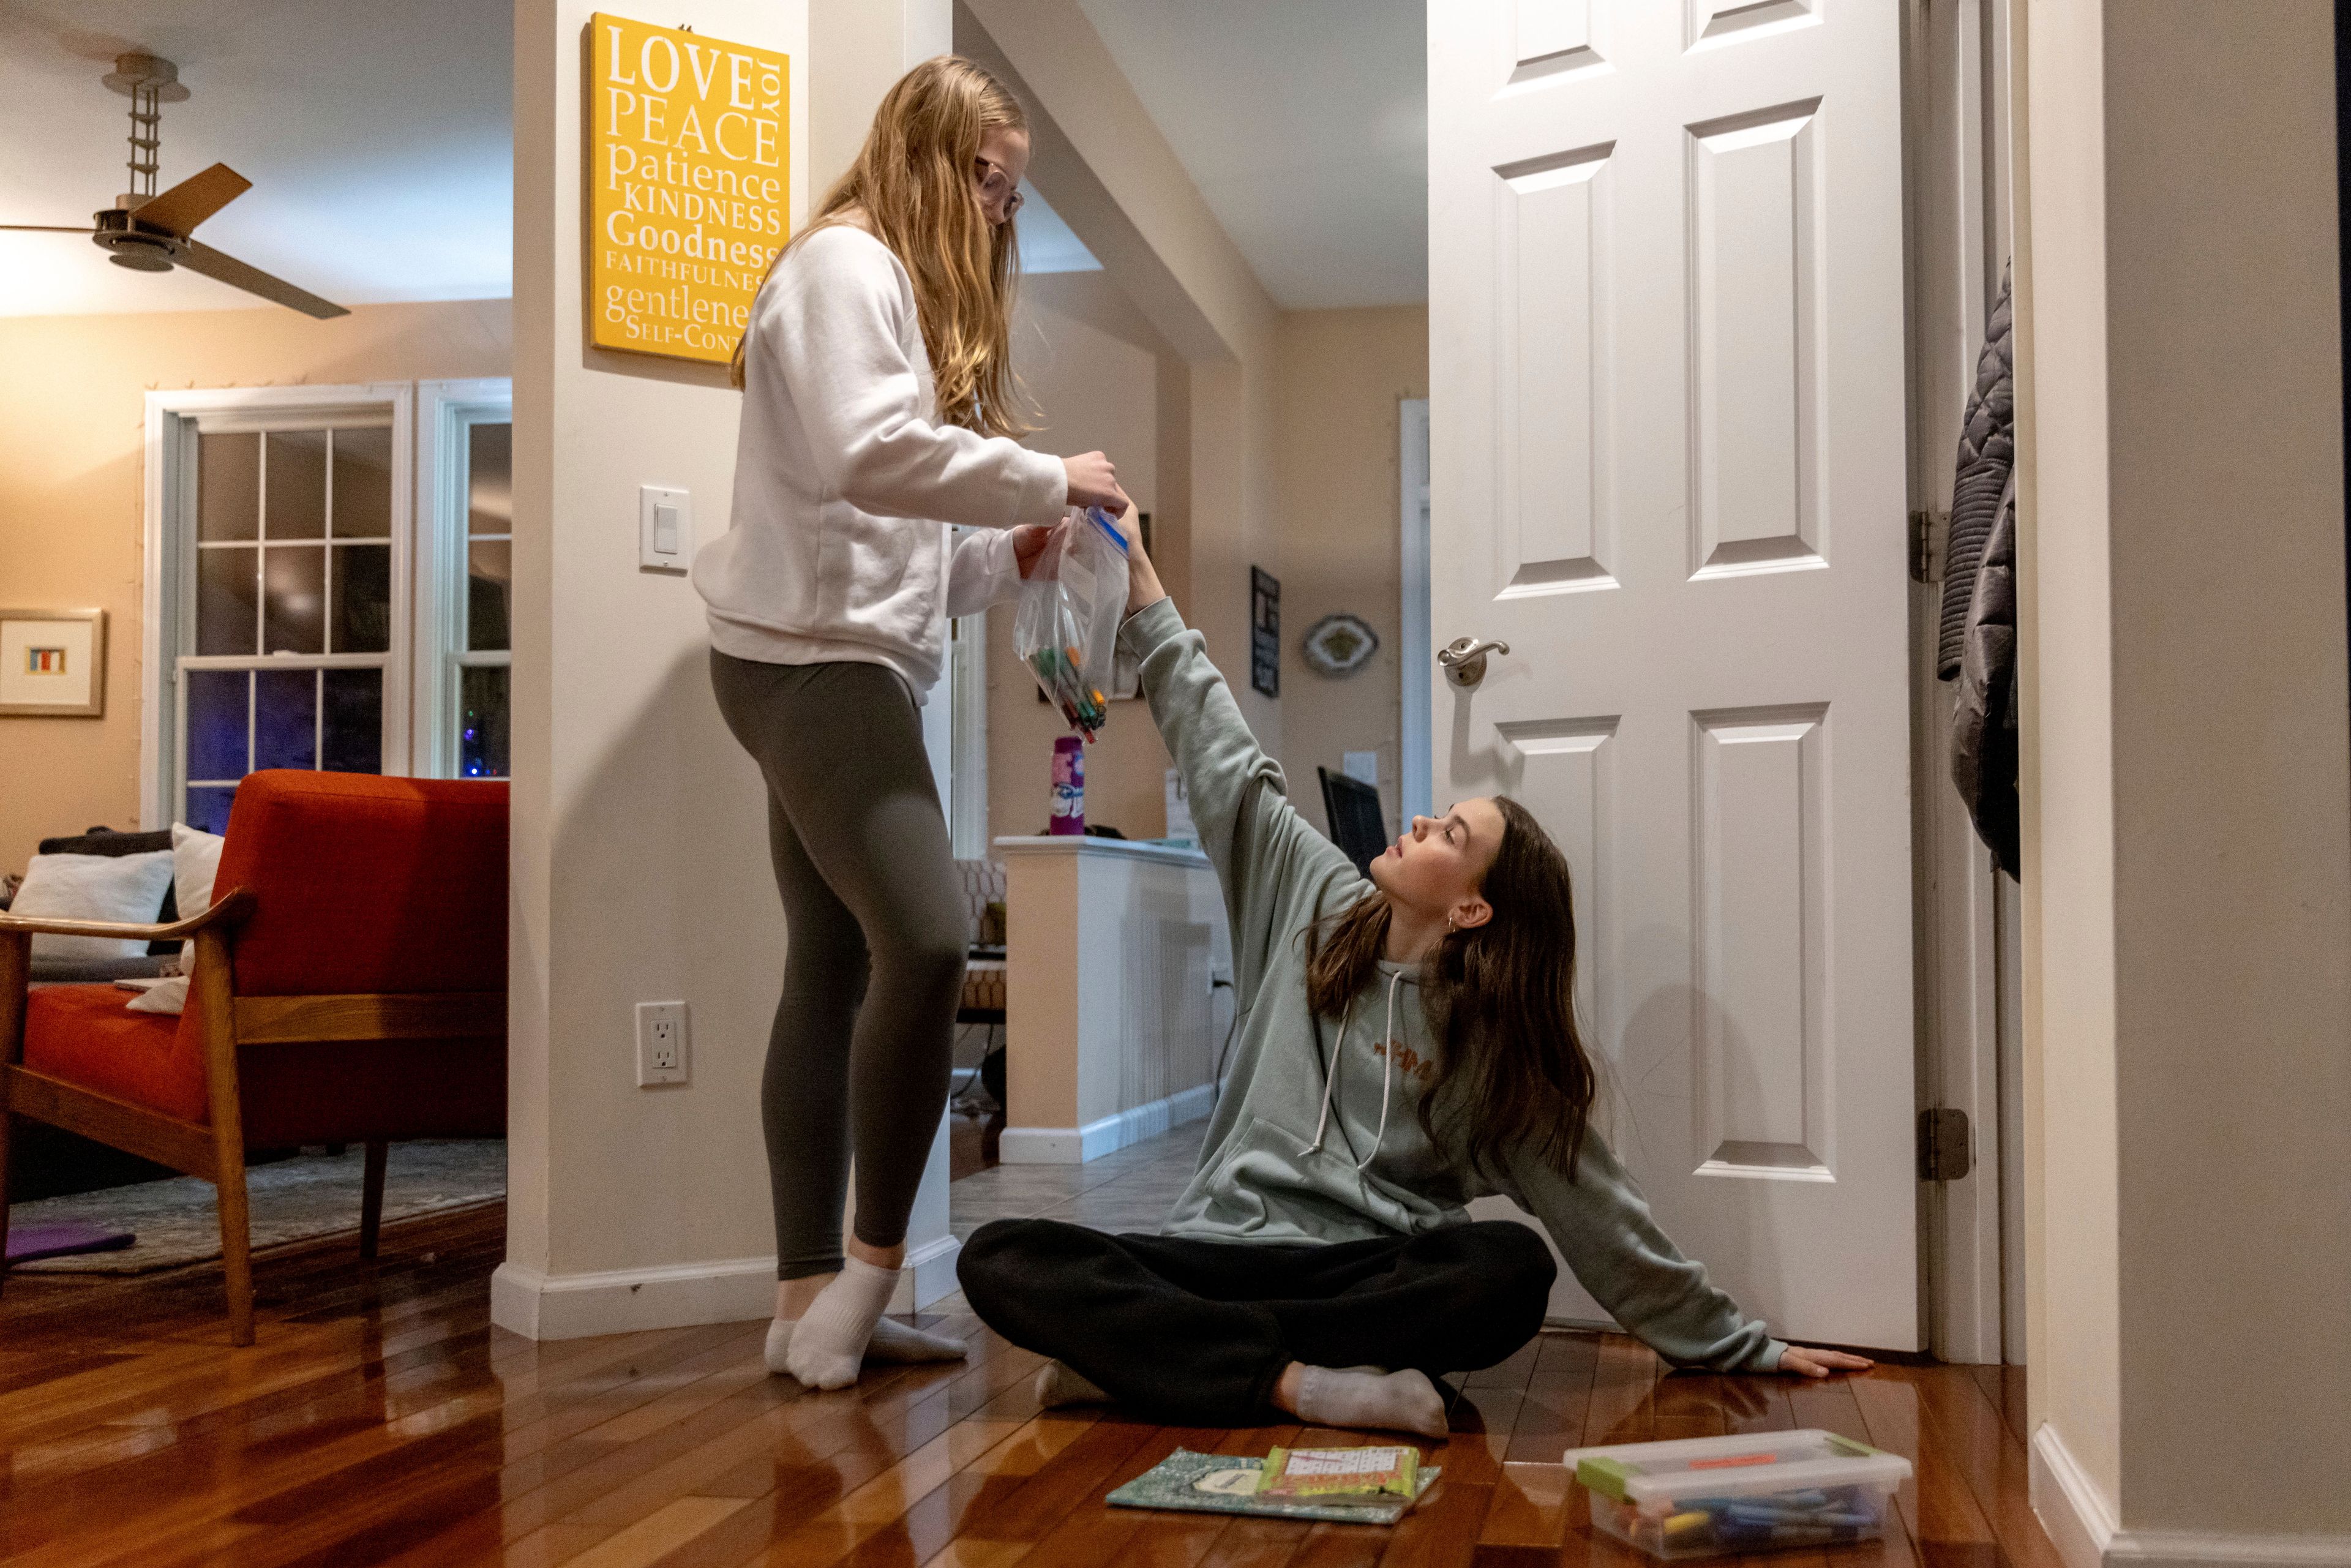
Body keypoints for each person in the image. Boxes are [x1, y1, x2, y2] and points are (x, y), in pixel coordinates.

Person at [956, 529, 1873, 1436]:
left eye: (1453, 836)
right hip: (1219, 1250)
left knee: (1510, 1269)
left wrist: (1731, 1339)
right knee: (1003, 1255)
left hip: (1363, 1278)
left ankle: (1155, 1362)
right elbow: (1223, 754)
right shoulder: (1308, 896)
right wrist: (1146, 583)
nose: (1426, 820)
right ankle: (1302, 1384)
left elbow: (1602, 1215)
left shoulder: (1492, 1056)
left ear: (1473, 910)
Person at [694, 56, 1128, 1391]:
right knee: (932, 943)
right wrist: (1049, 470)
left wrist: (1021, 549)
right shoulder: (846, 267)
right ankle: (869, 1274)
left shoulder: (880, 291)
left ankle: (805, 1301)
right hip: (810, 666)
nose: (1001, 213)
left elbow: (901, 549)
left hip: (839, 658)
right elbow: (868, 455)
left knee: (829, 972)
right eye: (989, 180)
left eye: (1014, 192)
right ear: (928, 159)